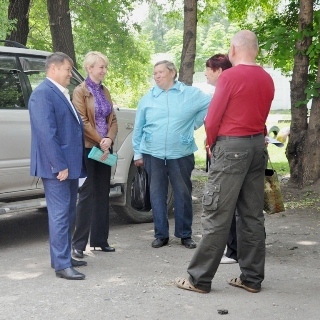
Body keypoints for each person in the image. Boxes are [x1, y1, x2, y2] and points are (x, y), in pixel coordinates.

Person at [175, 30, 274, 293]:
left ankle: (199, 279)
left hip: (231, 148)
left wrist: (211, 144)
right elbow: (263, 114)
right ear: (256, 50)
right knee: (252, 216)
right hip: (256, 146)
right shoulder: (266, 78)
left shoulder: (229, 76)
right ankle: (252, 278)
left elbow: (213, 117)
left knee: (217, 214)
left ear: (233, 50)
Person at [132, 60, 211, 249]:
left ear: (172, 72)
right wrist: (138, 153)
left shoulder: (189, 94)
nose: (157, 76)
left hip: (181, 152)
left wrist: (195, 124)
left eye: (160, 72)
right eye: (155, 73)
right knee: (157, 194)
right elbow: (138, 127)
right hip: (153, 153)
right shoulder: (148, 98)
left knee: (183, 193)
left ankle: (185, 235)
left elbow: (211, 103)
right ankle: (161, 235)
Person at [29, 52, 87, 280]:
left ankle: (61, 257)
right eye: (67, 69)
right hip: (58, 167)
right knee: (60, 214)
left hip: (69, 165)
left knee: (68, 212)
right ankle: (62, 266)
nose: (70, 74)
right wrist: (59, 165)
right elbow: (46, 134)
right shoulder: (43, 94)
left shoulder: (60, 93)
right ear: (53, 69)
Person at [72, 51, 118, 259]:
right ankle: (79, 245)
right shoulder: (80, 91)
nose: (104, 71)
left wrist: (108, 139)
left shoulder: (105, 91)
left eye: (105, 67)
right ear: (89, 68)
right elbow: (82, 121)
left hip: (105, 148)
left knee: (102, 194)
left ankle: (100, 241)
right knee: (87, 195)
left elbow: (113, 119)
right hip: (89, 147)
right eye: (101, 67)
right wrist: (101, 140)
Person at [205, 54, 238, 264]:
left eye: (208, 68)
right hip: (243, 148)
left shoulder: (225, 87)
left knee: (224, 202)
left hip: (226, 149)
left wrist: (211, 143)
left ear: (218, 70)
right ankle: (239, 247)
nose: (206, 73)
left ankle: (233, 250)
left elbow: (212, 120)